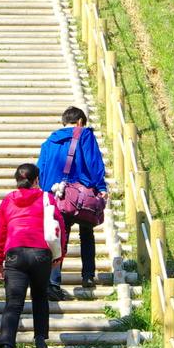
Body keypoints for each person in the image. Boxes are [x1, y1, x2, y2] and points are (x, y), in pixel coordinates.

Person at [0, 161, 59, 348]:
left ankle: (7, 347)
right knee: (40, 296)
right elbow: (58, 226)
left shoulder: (8, 201)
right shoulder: (47, 198)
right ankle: (40, 340)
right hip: (41, 253)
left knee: (13, 303)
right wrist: (58, 255)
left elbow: (0, 231)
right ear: (36, 180)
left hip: (15, 253)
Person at [38, 106, 108, 297]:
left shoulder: (49, 142)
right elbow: (93, 162)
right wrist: (101, 187)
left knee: (60, 237)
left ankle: (53, 282)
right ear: (80, 122)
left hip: (57, 195)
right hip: (82, 194)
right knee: (87, 233)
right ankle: (88, 276)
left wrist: (49, 192)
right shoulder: (85, 134)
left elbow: (41, 170)